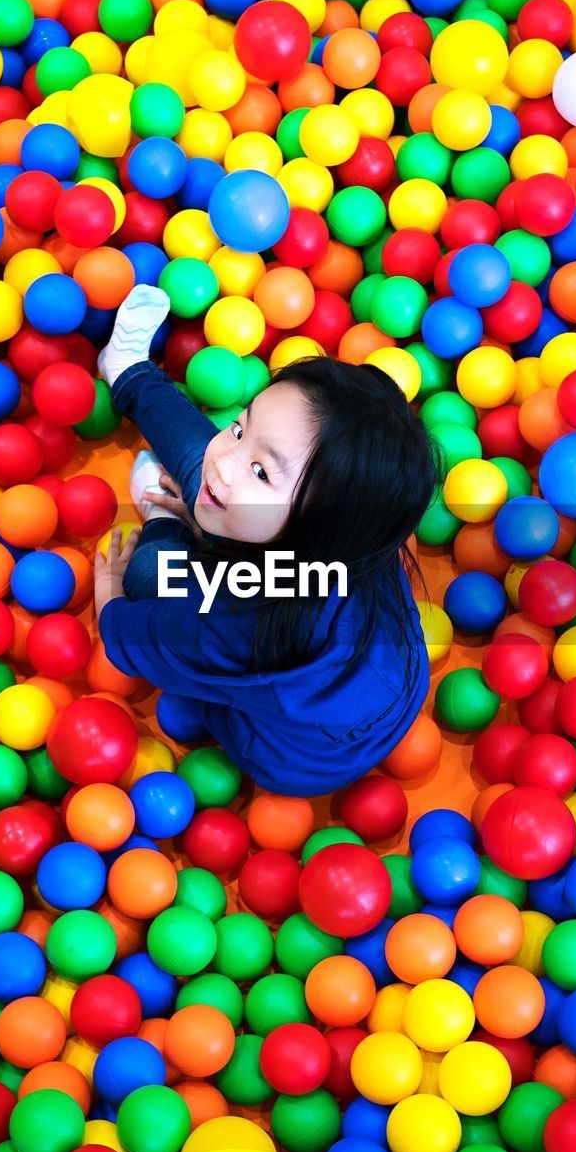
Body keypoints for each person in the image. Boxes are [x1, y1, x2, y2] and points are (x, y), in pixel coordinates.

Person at [92, 284, 439, 797]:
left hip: (293, 757)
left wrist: (110, 597)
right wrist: (232, 489)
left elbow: (133, 643)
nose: (226, 459)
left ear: (323, 527)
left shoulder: (237, 624)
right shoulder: (364, 533)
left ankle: (162, 519)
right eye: (238, 427)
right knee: (202, 475)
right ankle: (126, 368)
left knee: (149, 573)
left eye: (260, 470)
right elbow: (234, 471)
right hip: (376, 676)